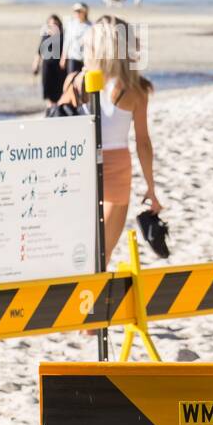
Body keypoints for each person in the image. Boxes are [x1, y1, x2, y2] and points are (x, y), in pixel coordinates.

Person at [66, 15, 161, 261]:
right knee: (102, 254)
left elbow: (57, 127)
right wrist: (150, 186)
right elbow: (143, 142)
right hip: (118, 169)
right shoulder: (136, 89)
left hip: (79, 166)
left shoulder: (75, 83)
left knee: (80, 251)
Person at [33, 14, 66, 108]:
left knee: (59, 87)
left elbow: (66, 50)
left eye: (55, 23)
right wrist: (36, 63)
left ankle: (58, 108)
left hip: (59, 66)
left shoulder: (63, 36)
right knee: (47, 86)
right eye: (51, 23)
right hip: (47, 65)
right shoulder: (45, 36)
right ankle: (49, 107)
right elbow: (39, 51)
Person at [64, 2, 90, 75]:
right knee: (71, 79)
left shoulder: (90, 26)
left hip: (86, 59)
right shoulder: (70, 25)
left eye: (79, 11)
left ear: (85, 12)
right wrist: (63, 57)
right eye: (75, 11)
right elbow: (67, 41)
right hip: (73, 57)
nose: (77, 13)